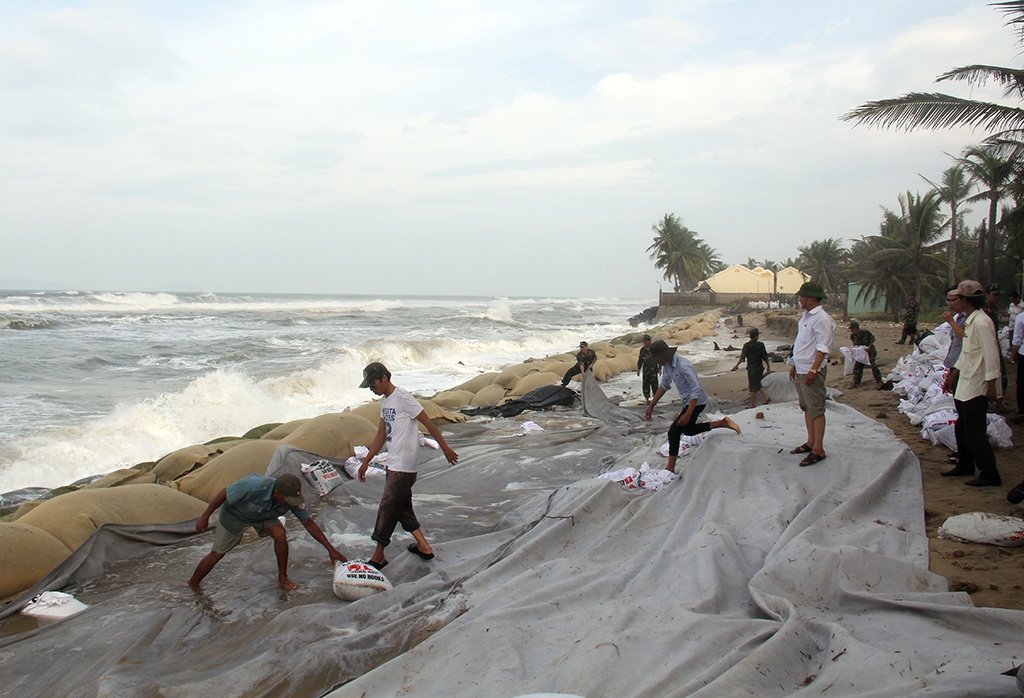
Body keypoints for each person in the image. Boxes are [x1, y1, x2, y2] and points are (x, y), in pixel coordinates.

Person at [357, 362, 458, 570]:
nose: (372, 389)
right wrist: (366, 461)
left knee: (387, 507)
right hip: (393, 463)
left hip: (404, 465)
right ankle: (424, 546)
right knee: (402, 507)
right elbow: (381, 434)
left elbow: (428, 424)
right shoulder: (385, 401)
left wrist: (445, 448)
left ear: (384, 378)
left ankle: (378, 555)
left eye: (373, 384)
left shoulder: (403, 398)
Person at [188, 473, 347, 590]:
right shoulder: (253, 486)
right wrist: (205, 517)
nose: (291, 503)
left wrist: (330, 549)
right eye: (288, 500)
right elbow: (224, 493)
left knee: (280, 534)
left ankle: (283, 578)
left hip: (264, 516)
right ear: (276, 493)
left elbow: (308, 523)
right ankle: (193, 584)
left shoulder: (292, 497)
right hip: (235, 515)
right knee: (217, 553)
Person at [644, 339, 741, 473]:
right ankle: (722, 423)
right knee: (688, 430)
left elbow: (696, 390)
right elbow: (664, 385)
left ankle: (670, 468)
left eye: (657, 359)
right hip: (687, 402)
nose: (657, 362)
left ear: (663, 356)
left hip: (697, 402)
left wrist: (688, 414)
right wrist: (652, 405)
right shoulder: (667, 367)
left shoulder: (684, 366)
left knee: (673, 432)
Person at [941, 280, 1002, 487]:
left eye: (956, 298)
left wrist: (992, 384)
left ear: (965, 300)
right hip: (966, 381)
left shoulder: (982, 323)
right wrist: (953, 375)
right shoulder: (971, 321)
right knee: (962, 427)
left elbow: (992, 356)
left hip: (977, 384)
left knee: (975, 431)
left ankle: (990, 472)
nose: (953, 302)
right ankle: (965, 464)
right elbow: (967, 353)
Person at [787, 281, 836, 467]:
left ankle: (818, 450)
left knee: (816, 409)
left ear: (812, 298)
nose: (800, 300)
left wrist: (814, 370)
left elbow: (822, 348)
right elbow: (802, 344)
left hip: (810, 370)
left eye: (802, 297)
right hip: (801, 368)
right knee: (807, 407)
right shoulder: (805, 317)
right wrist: (794, 364)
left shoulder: (822, 319)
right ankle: (810, 442)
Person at [731, 328, 772, 407]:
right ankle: (766, 398)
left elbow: (742, 358)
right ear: (756, 336)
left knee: (753, 386)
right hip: (759, 368)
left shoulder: (746, 346)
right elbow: (765, 357)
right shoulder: (760, 345)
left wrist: (736, 366)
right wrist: (768, 366)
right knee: (757, 383)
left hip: (751, 368)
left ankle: (753, 404)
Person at [847, 320, 882, 388]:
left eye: (852, 329)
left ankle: (879, 381)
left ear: (855, 328)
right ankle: (856, 382)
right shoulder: (853, 336)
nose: (851, 331)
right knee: (858, 366)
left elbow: (872, 340)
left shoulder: (865, 333)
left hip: (870, 351)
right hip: (861, 353)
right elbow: (855, 345)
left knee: (873, 366)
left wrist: (869, 347)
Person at [636, 334, 660, 403]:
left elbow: (659, 358)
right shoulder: (642, 350)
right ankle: (647, 399)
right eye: (644, 341)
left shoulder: (654, 349)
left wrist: (660, 368)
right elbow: (640, 360)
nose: (645, 343)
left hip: (653, 370)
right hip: (645, 370)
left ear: (649, 341)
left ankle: (655, 399)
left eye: (646, 341)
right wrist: (638, 369)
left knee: (655, 385)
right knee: (645, 385)